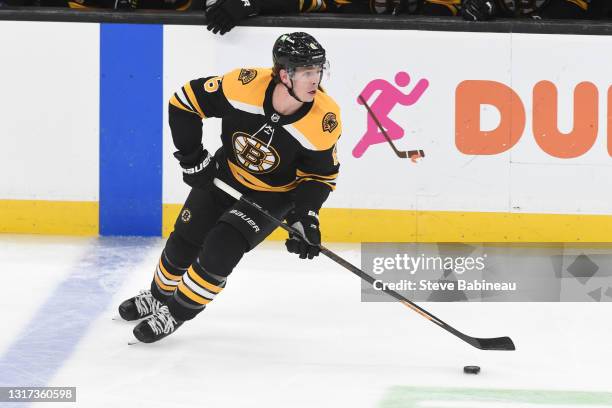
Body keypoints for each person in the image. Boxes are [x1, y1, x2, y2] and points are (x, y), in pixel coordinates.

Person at [117, 32, 342, 344]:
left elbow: (319, 178)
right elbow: (184, 102)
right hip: (226, 174)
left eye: (318, 71)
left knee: (221, 248)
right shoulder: (243, 85)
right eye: (306, 72)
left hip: (273, 195)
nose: (314, 80)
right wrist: (193, 159)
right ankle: (157, 296)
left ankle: (176, 312)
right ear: (282, 74)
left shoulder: (324, 120)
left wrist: (306, 217)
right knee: (185, 240)